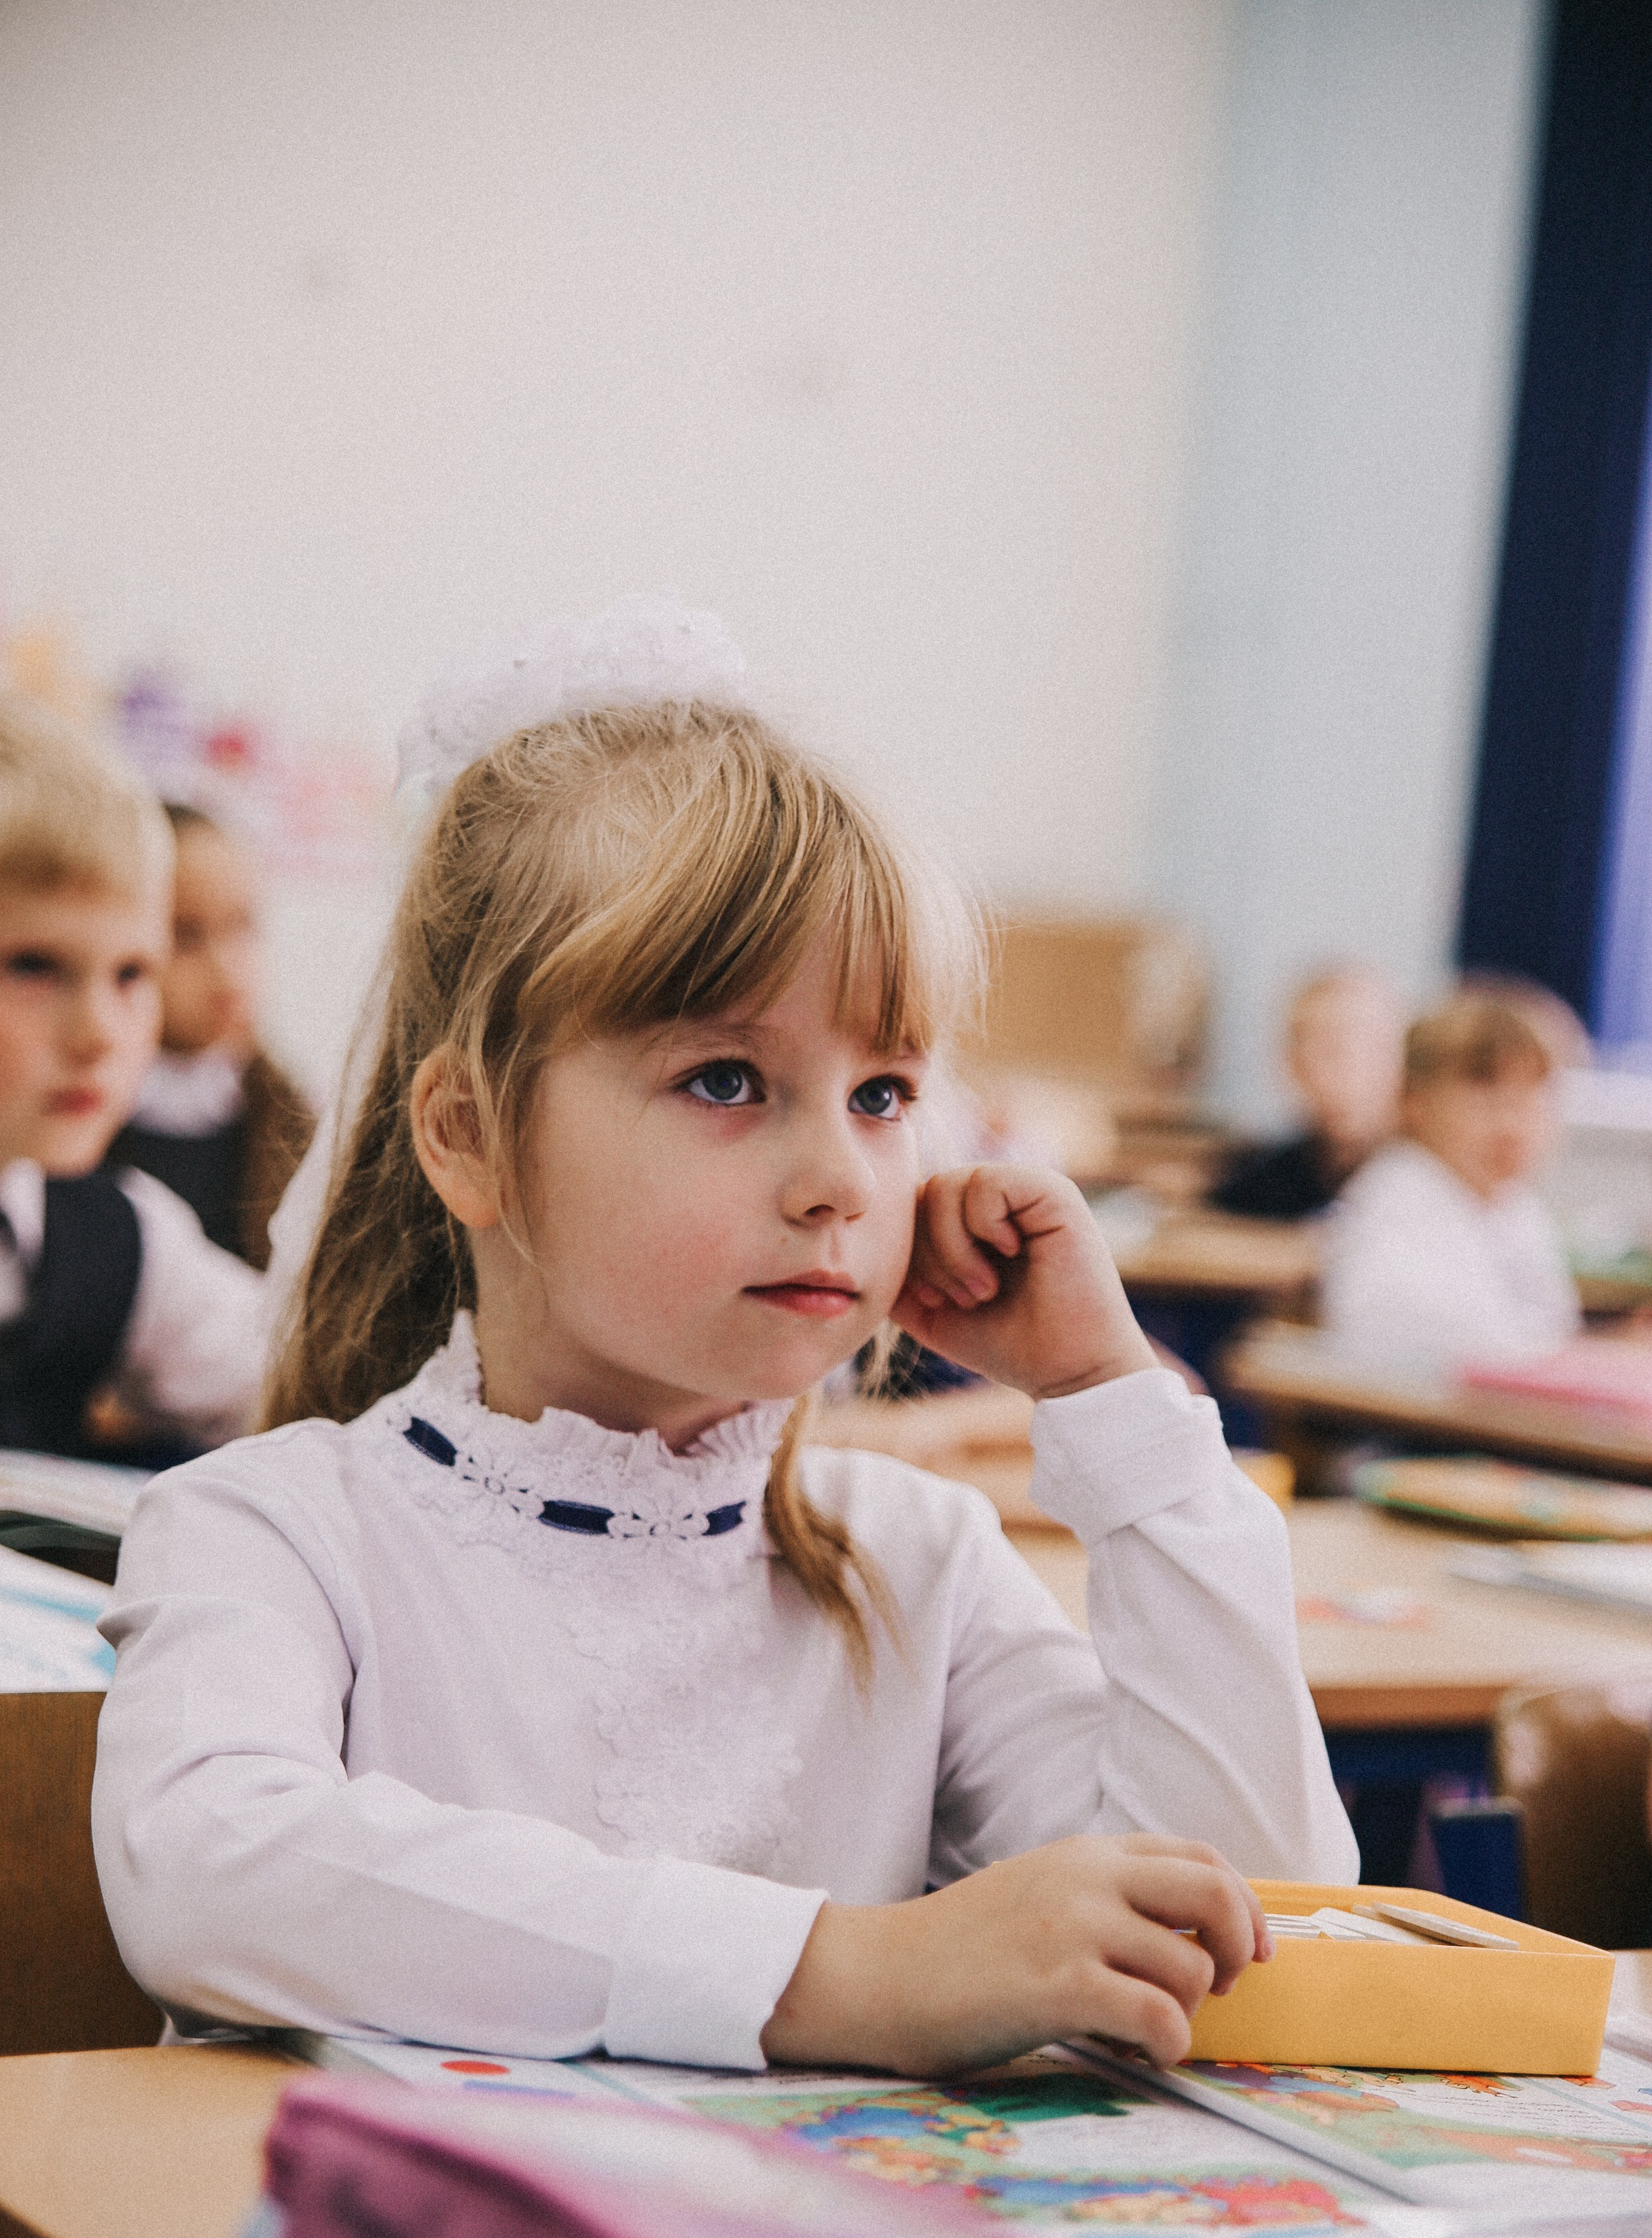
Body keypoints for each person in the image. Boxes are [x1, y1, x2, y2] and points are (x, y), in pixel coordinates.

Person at [92, 604, 1354, 2082]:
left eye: (884, 1093)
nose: (839, 1177)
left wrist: (1108, 1399)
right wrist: (847, 1972)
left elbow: (1244, 1916)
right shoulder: (271, 1527)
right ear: (469, 1135)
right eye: (728, 1079)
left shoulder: (915, 1563)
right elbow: (216, 1869)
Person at [0, 697, 267, 1462]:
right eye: (34, 966)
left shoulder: (125, 1237)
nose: (98, 1034)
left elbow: (310, 1380)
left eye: (131, 973)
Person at [1321, 990, 1579, 1370]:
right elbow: (1457, 1350)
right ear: (1413, 1100)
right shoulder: (1398, 1202)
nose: (1513, 1113)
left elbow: (1549, 1333)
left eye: (1536, 1088)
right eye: (1484, 1084)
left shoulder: (1515, 1208)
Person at [105, 804, 314, 1268]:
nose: (226, 969)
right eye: (187, 935)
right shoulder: (86, 1122)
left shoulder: (293, 1118)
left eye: (242, 925)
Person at [1211, 966, 1403, 1221]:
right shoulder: (1259, 1185)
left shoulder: (1436, 1184)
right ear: (1292, 1065)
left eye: (1368, 1047)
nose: (1344, 1071)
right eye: (1323, 1052)